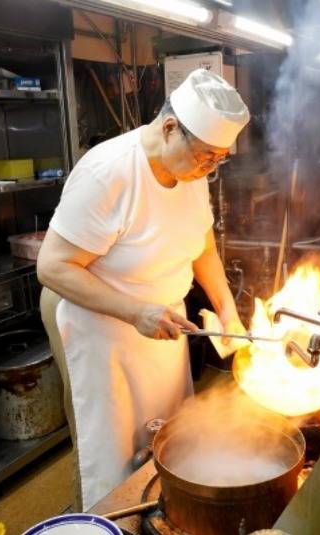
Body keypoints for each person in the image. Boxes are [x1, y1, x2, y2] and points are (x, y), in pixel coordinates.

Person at [36, 68, 249, 509]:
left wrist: (228, 313)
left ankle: (158, 507)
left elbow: (203, 249)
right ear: (170, 128)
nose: (211, 167)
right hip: (101, 325)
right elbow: (52, 267)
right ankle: (106, 517)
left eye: (220, 159)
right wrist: (135, 312)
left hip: (160, 321)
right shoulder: (109, 171)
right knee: (108, 449)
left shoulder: (191, 172)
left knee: (166, 433)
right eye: (207, 156)